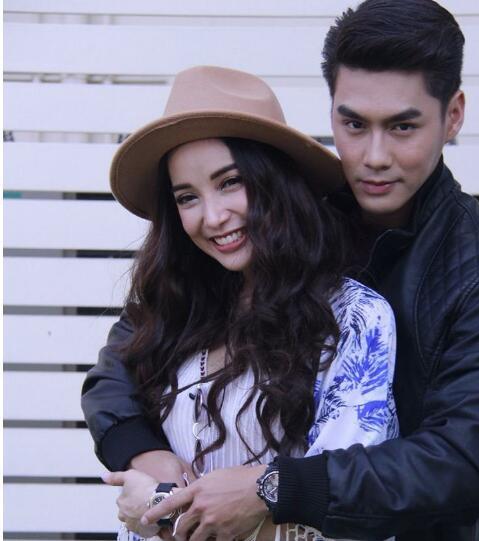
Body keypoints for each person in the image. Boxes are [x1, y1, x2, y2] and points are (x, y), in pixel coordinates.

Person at [82, 1, 479, 540]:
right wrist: (143, 455)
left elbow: (461, 463)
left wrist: (272, 488)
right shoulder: (279, 221)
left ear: (453, 115)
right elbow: (126, 358)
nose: (374, 155)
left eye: (402, 126)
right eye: (354, 124)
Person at [88, 65, 398, 541]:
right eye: (187, 197)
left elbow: (348, 506)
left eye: (230, 182)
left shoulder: (353, 318)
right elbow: (109, 387)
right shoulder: (174, 306)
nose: (213, 217)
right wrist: (145, 458)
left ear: (275, 180)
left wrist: (162, 512)